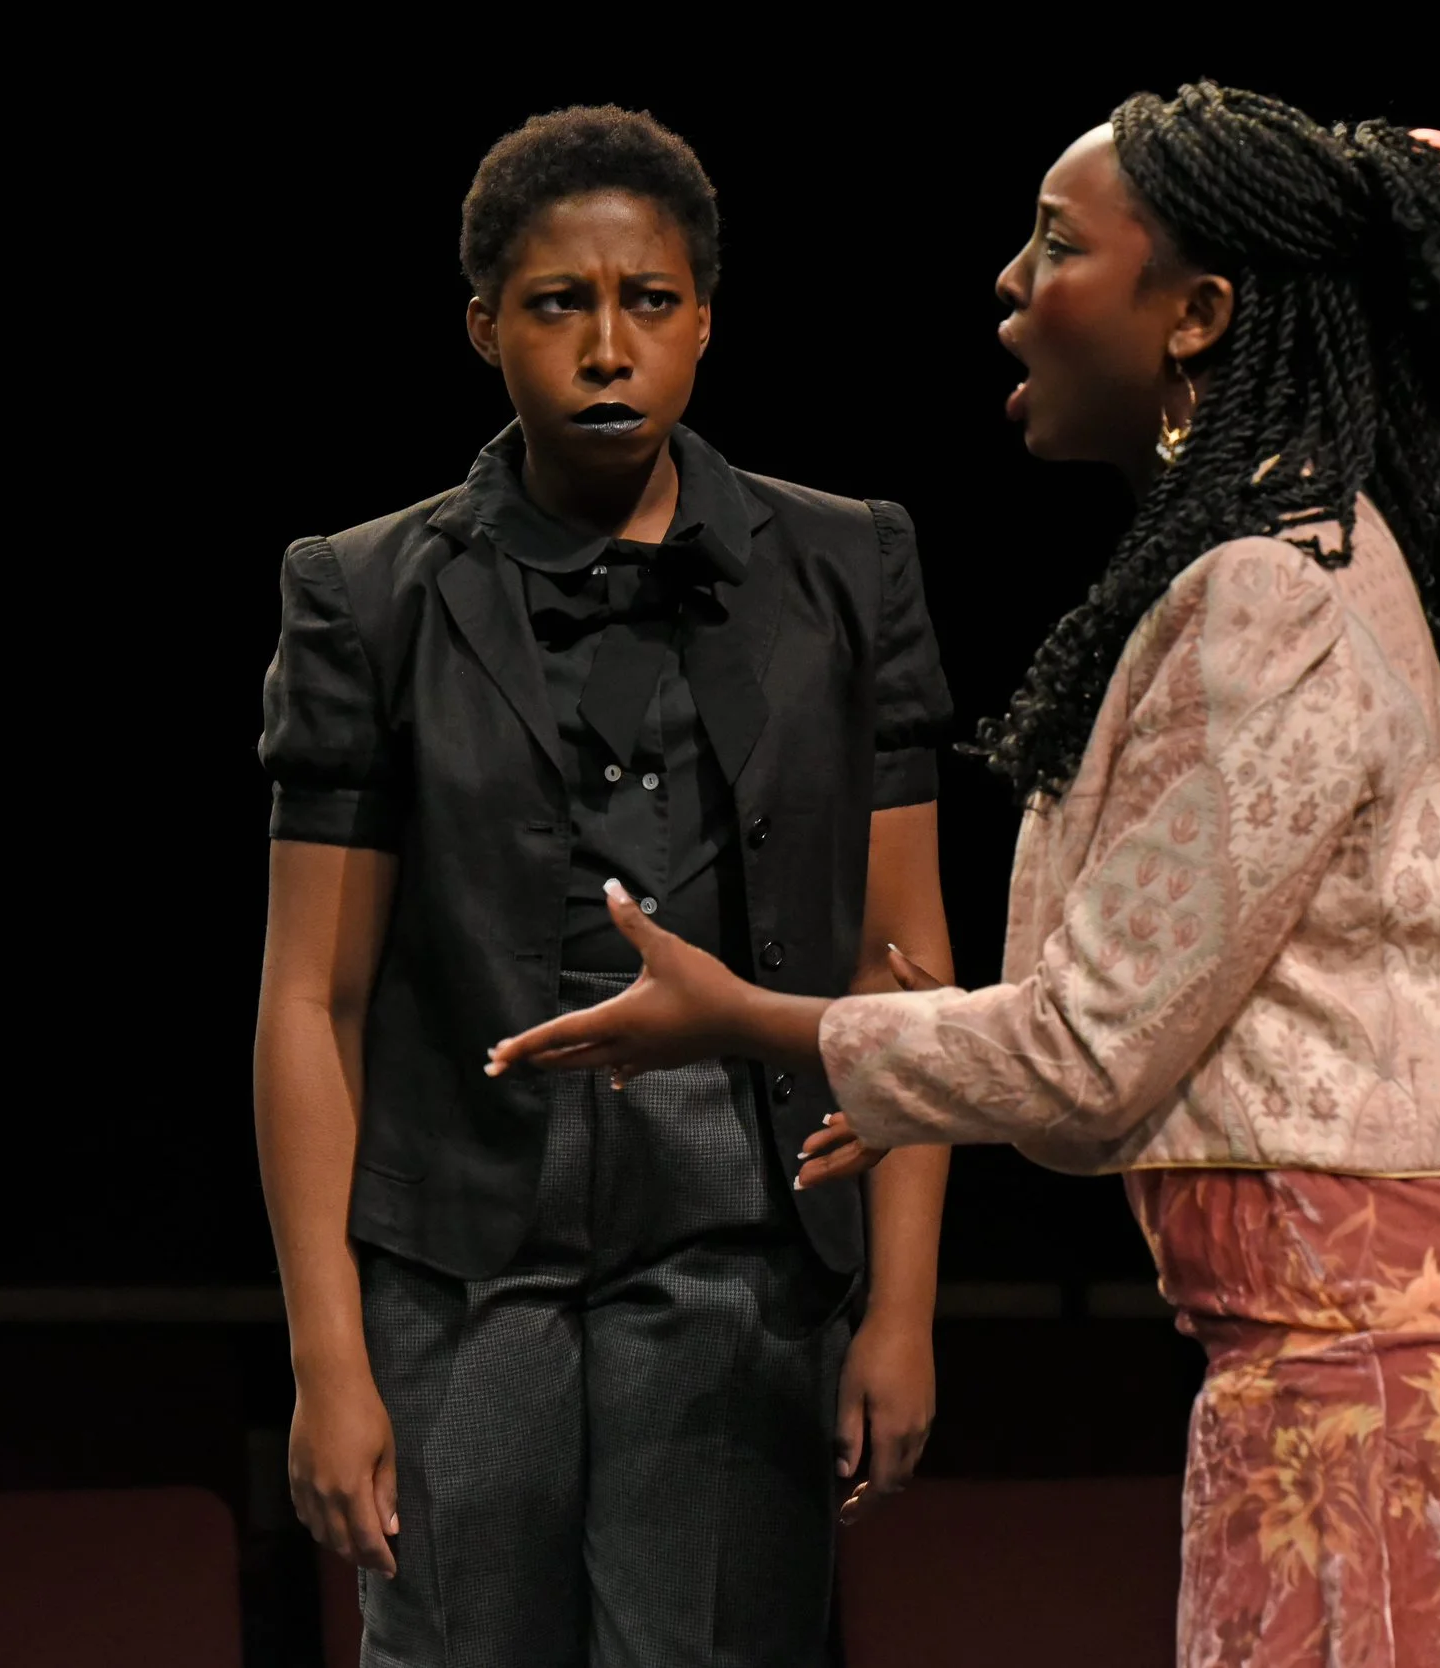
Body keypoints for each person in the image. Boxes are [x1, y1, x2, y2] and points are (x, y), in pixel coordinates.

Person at [490, 82, 1440, 1668]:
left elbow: (1089, 1063)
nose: (1012, 288)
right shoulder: (1286, 556)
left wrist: (749, 1021)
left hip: (1406, 1385)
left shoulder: (1267, 598)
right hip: (1422, 1346)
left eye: (1056, 247)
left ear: (1198, 314)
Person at [253, 105, 955, 1667]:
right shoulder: (368, 594)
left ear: (705, 317)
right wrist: (327, 1355)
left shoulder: (846, 565)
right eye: (560, 304)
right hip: (458, 1253)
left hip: (740, 1240)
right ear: (485, 325)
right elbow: (315, 993)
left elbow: (899, 968)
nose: (606, 346)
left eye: (648, 301)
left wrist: (900, 1303)